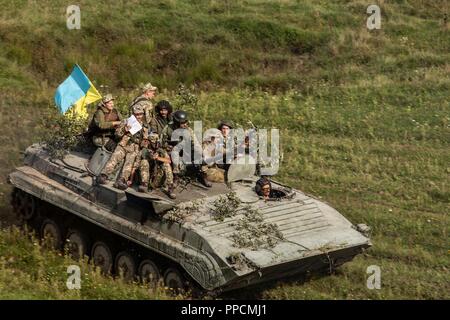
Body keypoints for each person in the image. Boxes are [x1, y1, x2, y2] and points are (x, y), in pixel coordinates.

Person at [98, 105, 149, 190]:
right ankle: (103, 175)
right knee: (114, 159)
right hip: (123, 144)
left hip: (134, 148)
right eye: (136, 114)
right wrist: (124, 129)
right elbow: (117, 134)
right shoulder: (126, 121)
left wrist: (145, 142)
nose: (138, 116)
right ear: (133, 114)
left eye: (140, 114)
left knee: (129, 164)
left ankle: (122, 180)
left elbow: (145, 141)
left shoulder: (144, 126)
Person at [161, 110, 211, 187]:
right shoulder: (168, 129)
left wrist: (202, 154)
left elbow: (196, 144)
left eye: (185, 122)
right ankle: (176, 177)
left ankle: (203, 175)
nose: (185, 125)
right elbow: (161, 142)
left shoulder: (188, 130)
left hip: (186, 150)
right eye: (182, 123)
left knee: (200, 156)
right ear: (176, 123)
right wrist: (167, 146)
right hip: (172, 150)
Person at [138, 133, 176, 199]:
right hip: (148, 177)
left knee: (166, 164)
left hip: (157, 178)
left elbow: (169, 161)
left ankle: (170, 187)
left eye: (155, 142)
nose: (153, 144)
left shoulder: (160, 150)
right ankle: (144, 184)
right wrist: (150, 157)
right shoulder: (145, 150)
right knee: (144, 162)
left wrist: (158, 158)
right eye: (152, 142)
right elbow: (138, 163)